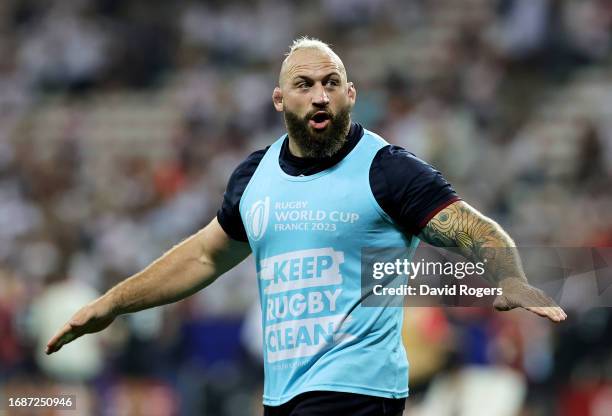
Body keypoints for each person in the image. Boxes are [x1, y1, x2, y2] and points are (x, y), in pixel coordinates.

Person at [46, 37, 566, 416]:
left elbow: (476, 229)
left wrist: (509, 275)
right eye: (304, 84)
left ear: (350, 94)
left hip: (359, 390)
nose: (319, 95)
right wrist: (112, 303)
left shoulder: (386, 168)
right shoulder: (254, 176)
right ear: (279, 100)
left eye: (331, 83)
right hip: (284, 393)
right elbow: (203, 256)